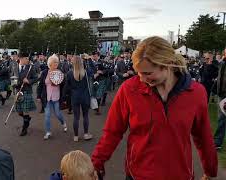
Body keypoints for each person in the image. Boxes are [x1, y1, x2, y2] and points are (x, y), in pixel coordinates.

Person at [91, 36, 217, 180]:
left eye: (148, 73)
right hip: (138, 175)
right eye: (138, 72)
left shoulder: (196, 93)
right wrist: (96, 164)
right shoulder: (129, 89)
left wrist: (210, 170)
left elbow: (203, 136)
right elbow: (112, 132)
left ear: (168, 64)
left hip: (180, 175)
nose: (142, 79)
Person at [37, 54, 67, 140]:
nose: (56, 64)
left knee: (57, 113)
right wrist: (39, 96)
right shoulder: (45, 72)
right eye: (54, 62)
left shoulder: (59, 72)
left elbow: (64, 85)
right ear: (50, 63)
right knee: (47, 115)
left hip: (56, 97)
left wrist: (59, 82)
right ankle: (48, 132)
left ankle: (63, 122)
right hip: (46, 97)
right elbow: (41, 85)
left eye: (57, 62)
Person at [64, 56, 93, 142]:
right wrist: (89, 60)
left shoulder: (69, 73)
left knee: (76, 117)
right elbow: (93, 70)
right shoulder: (87, 72)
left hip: (75, 97)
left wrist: (65, 96)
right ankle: (86, 134)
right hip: (85, 96)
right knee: (85, 116)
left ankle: (76, 136)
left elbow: (67, 87)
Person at [15, 52, 38, 136]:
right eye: (26, 58)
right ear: (21, 59)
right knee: (19, 111)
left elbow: (36, 78)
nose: (28, 60)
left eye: (28, 59)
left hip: (26, 91)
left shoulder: (30, 68)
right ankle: (27, 119)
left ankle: (25, 128)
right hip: (18, 91)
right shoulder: (14, 67)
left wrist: (29, 81)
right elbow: (10, 76)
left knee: (25, 111)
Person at [214, 48, 226, 150]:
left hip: (224, 94)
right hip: (222, 94)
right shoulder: (222, 64)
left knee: (222, 118)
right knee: (221, 118)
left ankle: (217, 142)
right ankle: (217, 142)